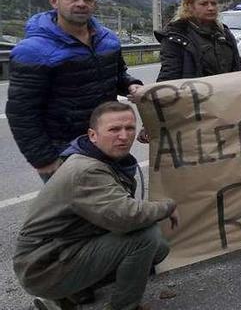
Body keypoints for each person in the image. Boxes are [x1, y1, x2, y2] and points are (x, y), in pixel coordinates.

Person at [14, 101, 179, 310]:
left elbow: (116, 212)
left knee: (157, 246)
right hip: (43, 268)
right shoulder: (86, 171)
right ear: (93, 135)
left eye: (129, 128)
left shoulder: (99, 158)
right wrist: (168, 206)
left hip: (58, 252)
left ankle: (67, 295)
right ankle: (122, 307)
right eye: (114, 129)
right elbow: (128, 217)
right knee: (146, 238)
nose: (124, 136)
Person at [6, 0, 143, 182]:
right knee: (74, 213)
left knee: (116, 207)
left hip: (106, 140)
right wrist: (43, 159)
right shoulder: (33, 51)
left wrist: (131, 85)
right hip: (65, 149)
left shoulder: (108, 40)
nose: (81, 4)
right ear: (54, 1)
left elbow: (117, 74)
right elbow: (22, 112)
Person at [154, 0, 241, 82]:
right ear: (190, 6)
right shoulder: (176, 36)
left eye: (213, 3)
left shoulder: (224, 33)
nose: (210, 8)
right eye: (204, 4)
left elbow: (238, 67)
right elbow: (169, 78)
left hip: (225, 95)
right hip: (194, 96)